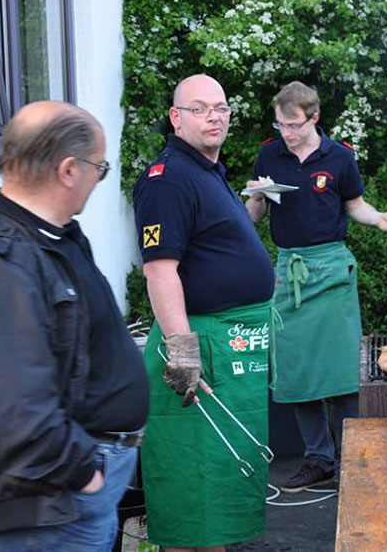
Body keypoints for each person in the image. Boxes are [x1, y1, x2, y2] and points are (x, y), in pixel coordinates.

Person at [0, 101, 149, 551]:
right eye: (100, 167)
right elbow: (14, 406)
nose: (99, 178)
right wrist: (85, 473)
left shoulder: (54, 234)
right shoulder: (1, 261)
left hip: (75, 493)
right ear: (69, 169)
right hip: (52, 504)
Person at [133, 74, 277, 550]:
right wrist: (181, 347)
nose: (214, 116)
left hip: (234, 343)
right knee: (197, 484)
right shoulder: (168, 177)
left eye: (221, 108)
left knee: (223, 478)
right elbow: (160, 270)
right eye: (200, 108)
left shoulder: (206, 169)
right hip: (202, 345)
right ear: (176, 118)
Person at [245, 81, 387, 493]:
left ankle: (352, 456)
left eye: (293, 125)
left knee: (340, 370)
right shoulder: (268, 153)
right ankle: (318, 459)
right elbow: (254, 217)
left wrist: (378, 219)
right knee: (296, 370)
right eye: (281, 125)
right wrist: (257, 197)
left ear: (314, 118)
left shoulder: (339, 157)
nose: (287, 133)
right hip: (289, 268)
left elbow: (354, 207)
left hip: (332, 269)